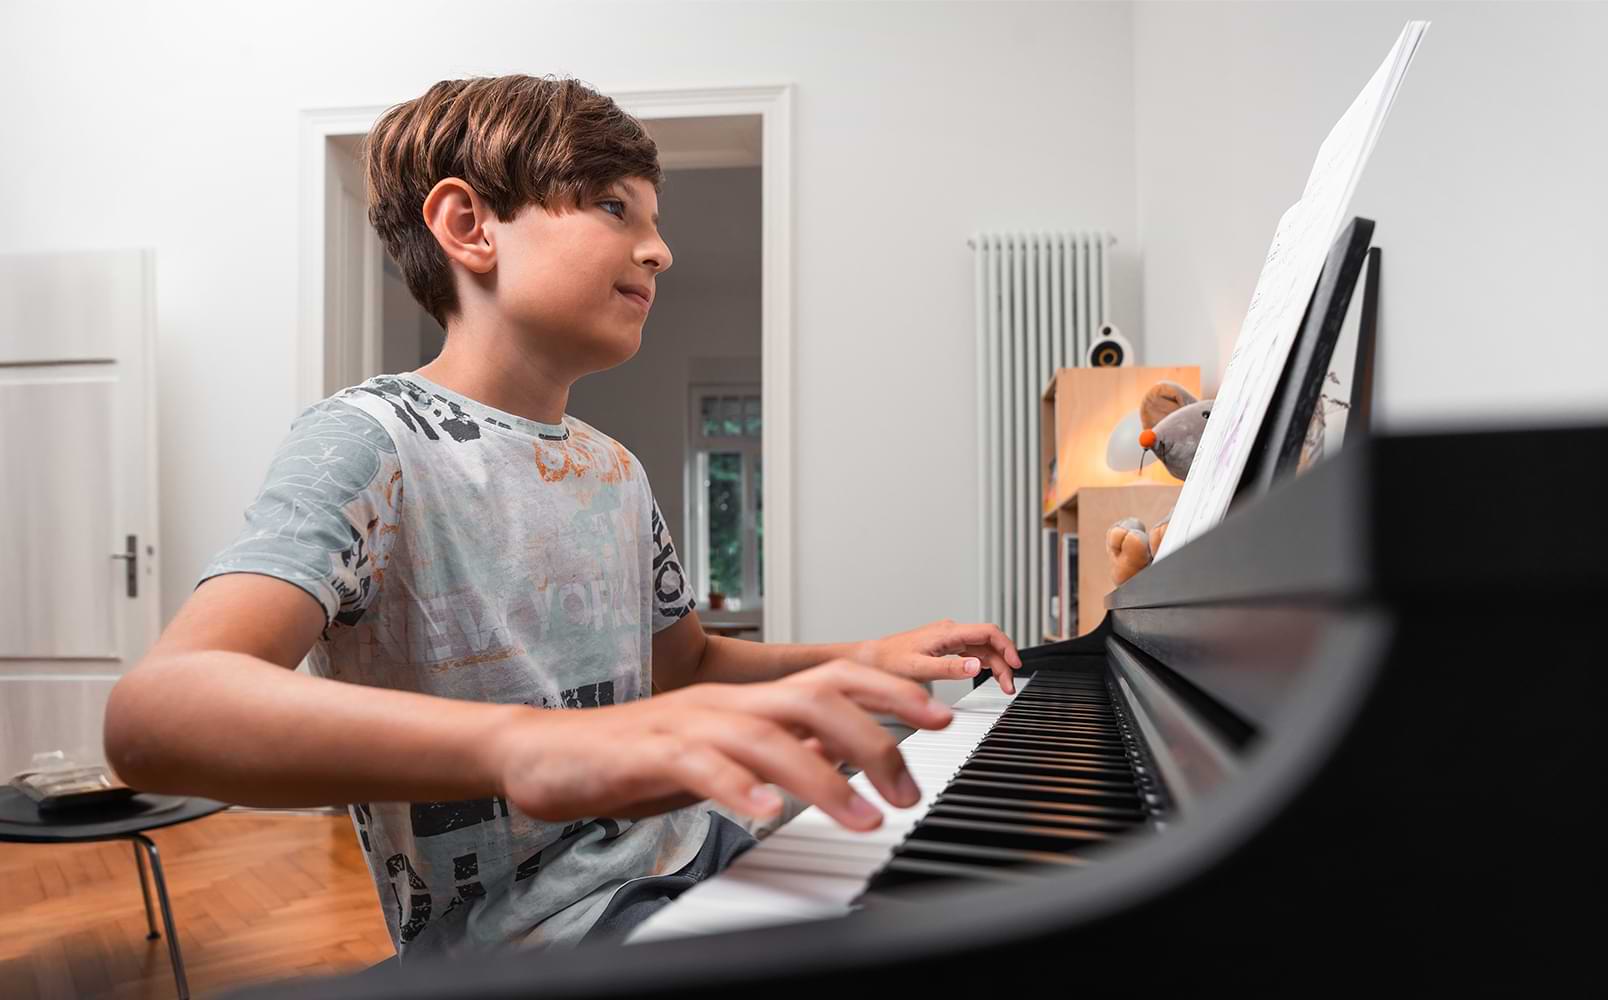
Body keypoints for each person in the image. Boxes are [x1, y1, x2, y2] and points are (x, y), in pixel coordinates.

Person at [103, 74, 1021, 959]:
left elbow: (688, 663)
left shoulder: (612, 469)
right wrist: (531, 748)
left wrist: (861, 660)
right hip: (551, 929)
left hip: (692, 846)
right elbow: (157, 717)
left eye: (655, 223)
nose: (659, 251)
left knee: (969, 820)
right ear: (469, 227)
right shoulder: (372, 440)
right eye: (616, 209)